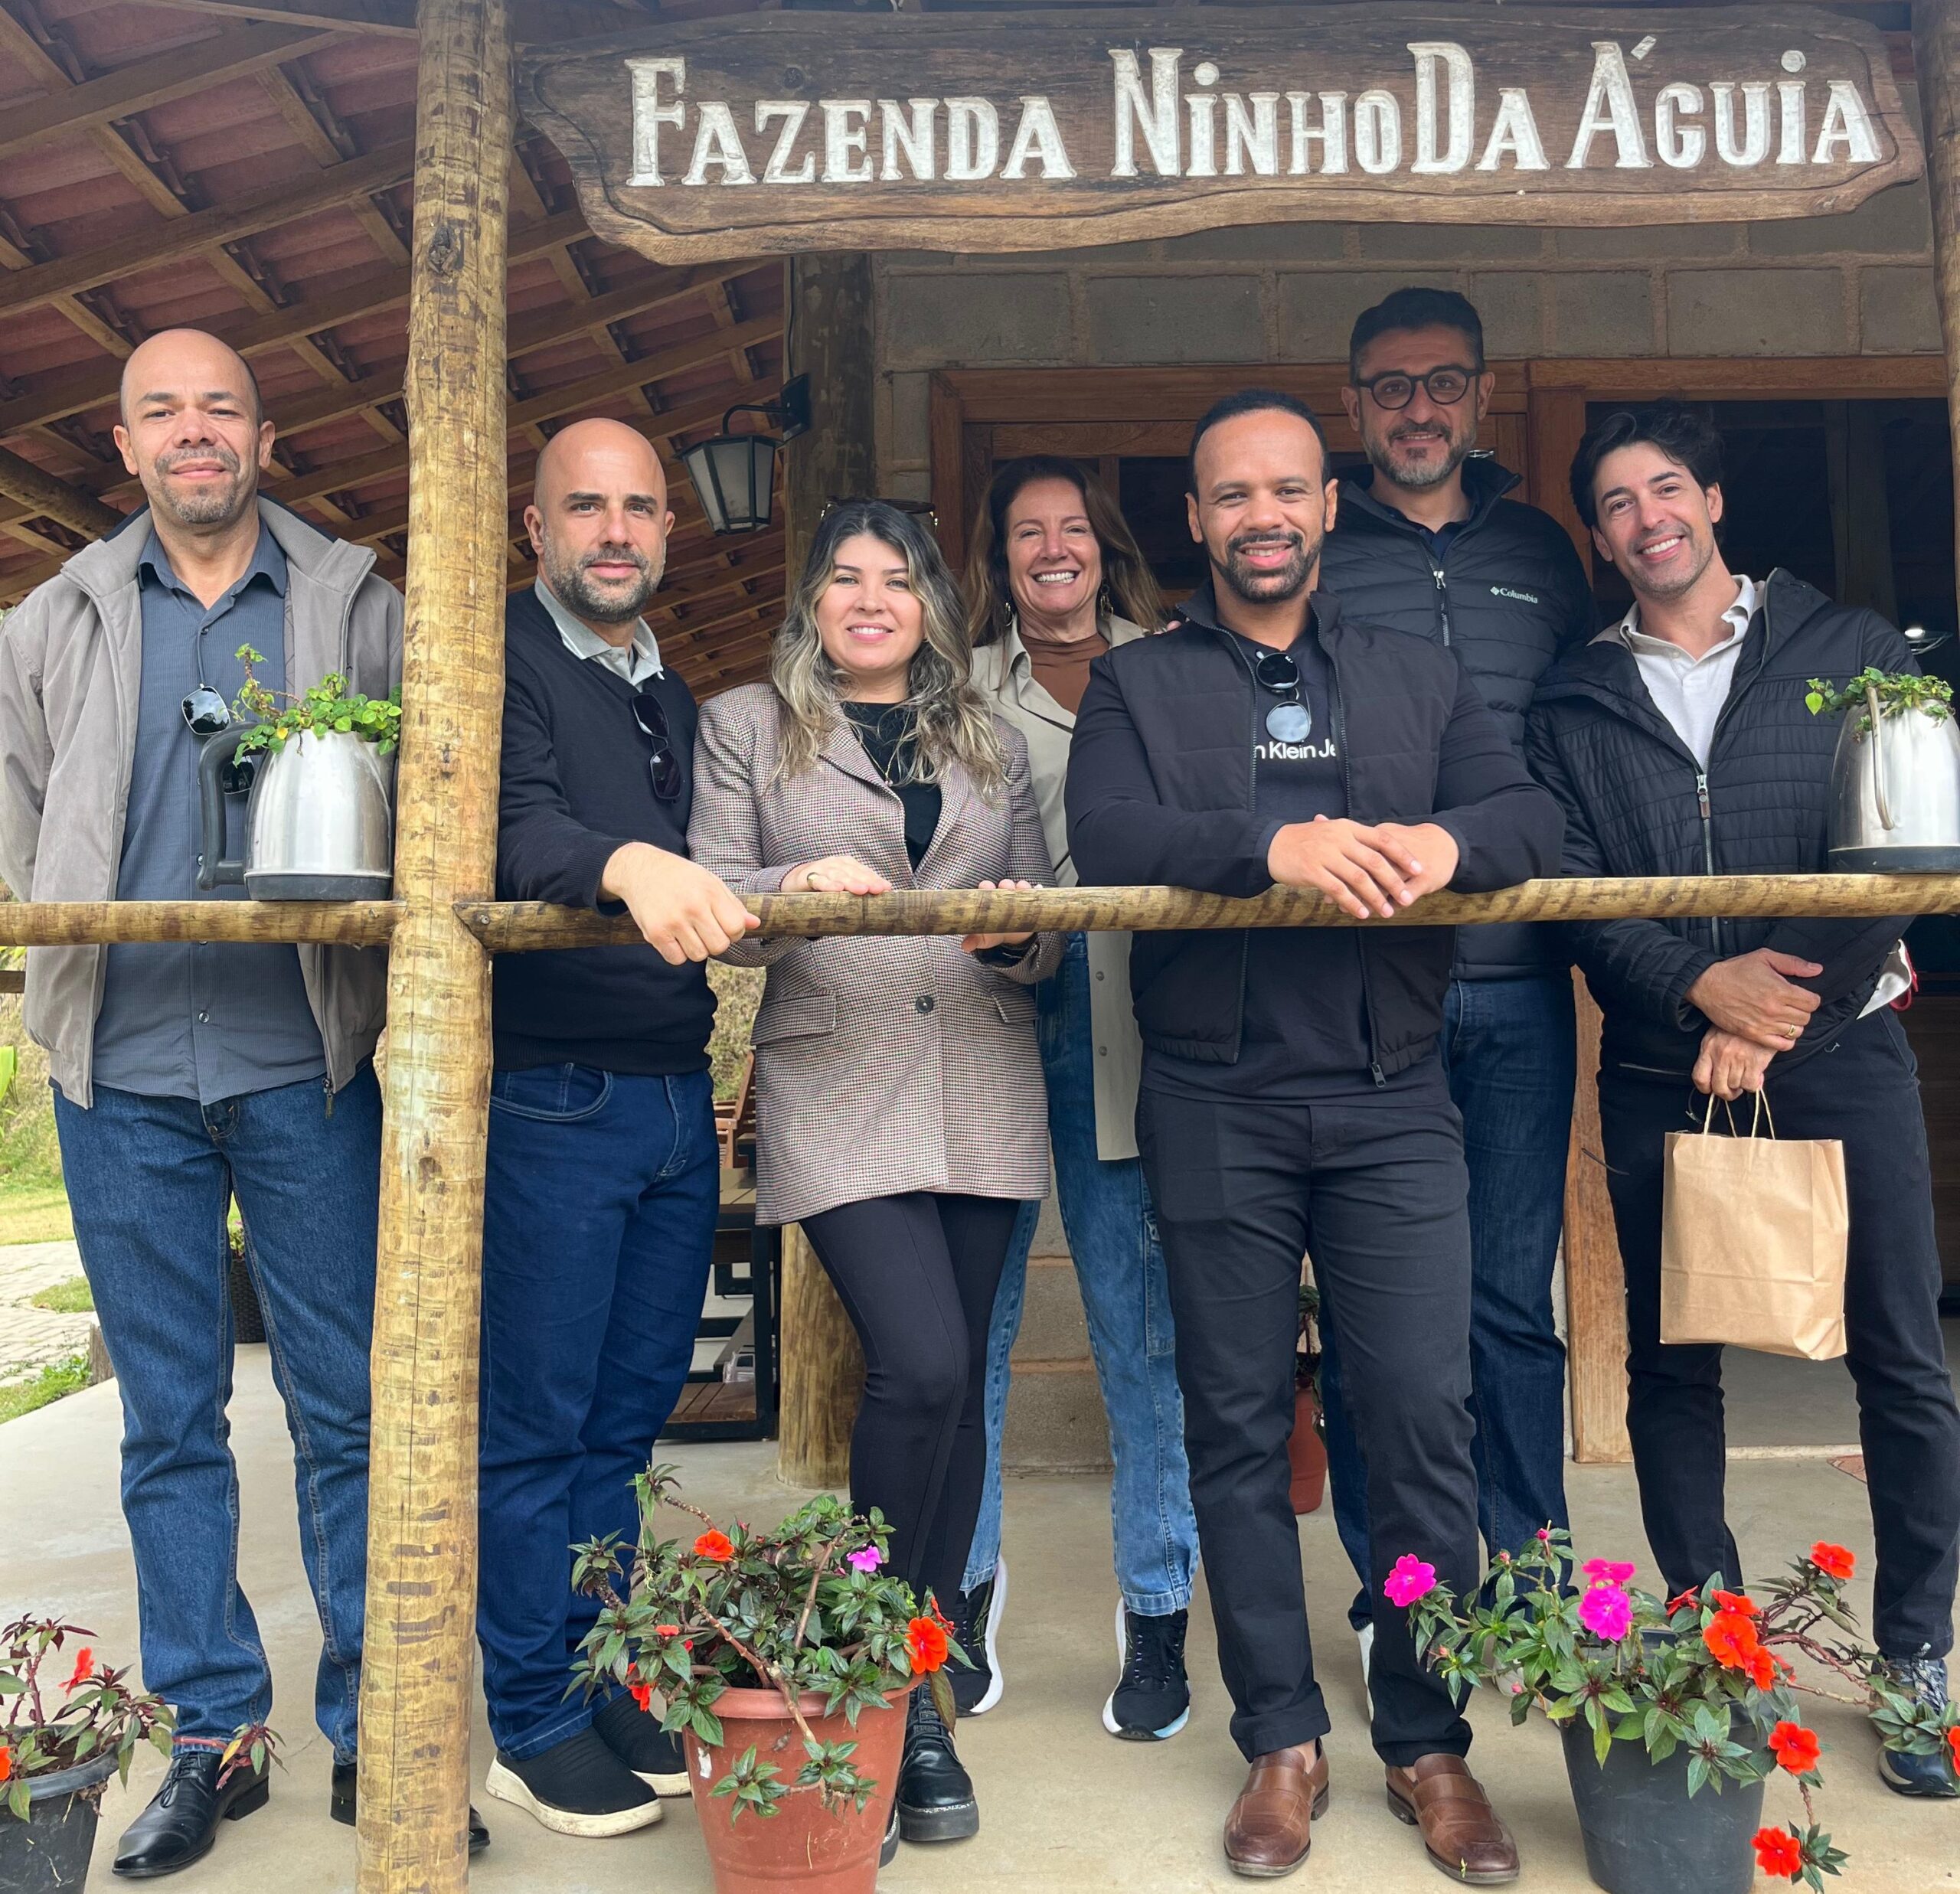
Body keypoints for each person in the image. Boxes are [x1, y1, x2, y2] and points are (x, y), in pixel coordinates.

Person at [1067, 388, 1563, 1882]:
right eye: (1232, 494)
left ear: (1327, 506)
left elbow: (1526, 815)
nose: (1262, 515)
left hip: (1391, 1092)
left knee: (1416, 1415)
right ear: (1197, 518)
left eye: (1287, 488)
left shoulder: (1415, 674)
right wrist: (1265, 844)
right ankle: (1280, 1736)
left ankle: (1424, 1735)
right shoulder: (1136, 684)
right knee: (1231, 1425)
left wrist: (1447, 840)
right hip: (1213, 1094)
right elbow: (1110, 834)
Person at [0, 328, 460, 1876]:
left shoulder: (358, 606)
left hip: (302, 1062)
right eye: (163, 412)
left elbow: (426, 806)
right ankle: (212, 1736)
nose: (194, 432)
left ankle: (377, 1721)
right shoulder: (54, 619)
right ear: (124, 446)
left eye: (221, 409)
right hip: (120, 1073)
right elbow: (19, 817)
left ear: (265, 437)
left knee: (349, 1407)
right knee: (168, 1420)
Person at [1527, 402, 1960, 1799]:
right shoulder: (1574, 698)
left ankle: (1917, 1651)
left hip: (1842, 1052)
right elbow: (1577, 898)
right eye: (1616, 502)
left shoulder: (1855, 649)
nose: (1646, 517)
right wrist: (1701, 992)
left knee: (1900, 1353)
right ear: (1600, 537)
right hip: (1665, 1065)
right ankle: (1717, 1642)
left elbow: (1906, 849)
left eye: (1666, 488)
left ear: (1712, 500)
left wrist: (1775, 1020)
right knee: (1673, 1363)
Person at [689, 498, 1060, 1848]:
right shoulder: (746, 724)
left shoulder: (991, 738)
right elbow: (717, 902)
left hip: (981, 1077)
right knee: (925, 1364)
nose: (868, 599)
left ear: (931, 606)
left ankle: (914, 1692)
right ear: (812, 600)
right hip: (838, 1079)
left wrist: (1017, 938)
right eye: (843, 577)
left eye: (896, 580)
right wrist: (798, 876)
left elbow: (1046, 922)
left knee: (958, 1394)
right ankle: (879, 1663)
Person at [478, 417, 760, 1837]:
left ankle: (599, 1678)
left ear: (666, 529)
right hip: (554, 1093)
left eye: (639, 508)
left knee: (625, 1421)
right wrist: (630, 860)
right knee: (536, 1425)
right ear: (537, 526)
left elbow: (719, 866)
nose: (615, 531)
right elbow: (507, 828)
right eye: (585, 507)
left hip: (669, 1095)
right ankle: (529, 1717)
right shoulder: (500, 657)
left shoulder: (671, 689)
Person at [1318, 289, 1596, 1651]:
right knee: (1380, 1314)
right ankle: (1399, 1592)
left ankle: (1532, 1574)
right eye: (1389, 386)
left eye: (1442, 383)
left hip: (1523, 983)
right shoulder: (1320, 545)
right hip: (1370, 989)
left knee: (1509, 1300)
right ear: (1354, 404)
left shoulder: (1543, 552)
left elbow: (1588, 737)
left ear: (1483, 396)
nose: (1417, 409)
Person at [958, 456, 1199, 1741]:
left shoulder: (1171, 666)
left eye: (1073, 529)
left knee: (1138, 1328)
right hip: (987, 1015)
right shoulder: (957, 685)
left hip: (1126, 1013)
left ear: (1106, 546)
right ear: (999, 559)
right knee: (967, 1332)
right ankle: (958, 1604)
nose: (1053, 549)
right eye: (1026, 531)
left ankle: (1156, 1611)